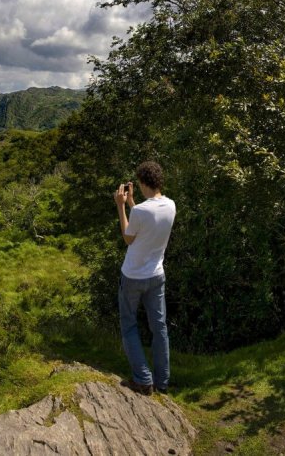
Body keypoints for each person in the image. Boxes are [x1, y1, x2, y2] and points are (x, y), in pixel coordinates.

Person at [113, 161, 175, 395]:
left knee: (129, 325)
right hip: (156, 275)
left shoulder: (139, 212)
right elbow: (149, 222)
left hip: (133, 276)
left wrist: (121, 206)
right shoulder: (170, 205)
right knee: (159, 327)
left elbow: (129, 237)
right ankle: (162, 382)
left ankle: (143, 379)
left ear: (141, 182)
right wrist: (132, 204)